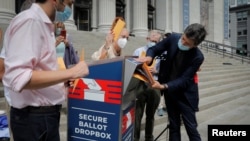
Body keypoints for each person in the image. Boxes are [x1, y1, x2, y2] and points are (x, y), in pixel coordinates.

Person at [2, 1, 89, 141]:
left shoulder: (43, 24)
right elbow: (19, 77)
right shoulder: (30, 21)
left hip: (43, 117)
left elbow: (40, 68)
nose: (71, 5)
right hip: (34, 120)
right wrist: (71, 73)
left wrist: (62, 81)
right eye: (69, 3)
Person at [137, 23, 207, 141]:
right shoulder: (174, 38)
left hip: (185, 96)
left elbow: (184, 79)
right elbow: (154, 49)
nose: (183, 43)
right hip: (170, 93)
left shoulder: (198, 57)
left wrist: (164, 86)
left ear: (195, 45)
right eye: (183, 38)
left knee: (191, 129)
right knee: (173, 126)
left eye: (187, 43)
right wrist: (149, 57)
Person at [132, 30, 162, 141]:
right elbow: (131, 65)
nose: (153, 42)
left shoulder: (161, 54)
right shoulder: (138, 51)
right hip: (139, 84)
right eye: (151, 40)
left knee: (150, 115)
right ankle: (135, 137)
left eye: (156, 41)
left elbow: (166, 71)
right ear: (147, 39)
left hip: (154, 85)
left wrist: (157, 71)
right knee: (137, 114)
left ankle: (149, 137)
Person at [156, 32, 171, 116]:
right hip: (161, 75)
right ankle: (160, 107)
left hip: (170, 76)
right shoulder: (161, 50)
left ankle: (166, 106)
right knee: (161, 92)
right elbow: (157, 61)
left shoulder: (172, 50)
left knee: (168, 92)